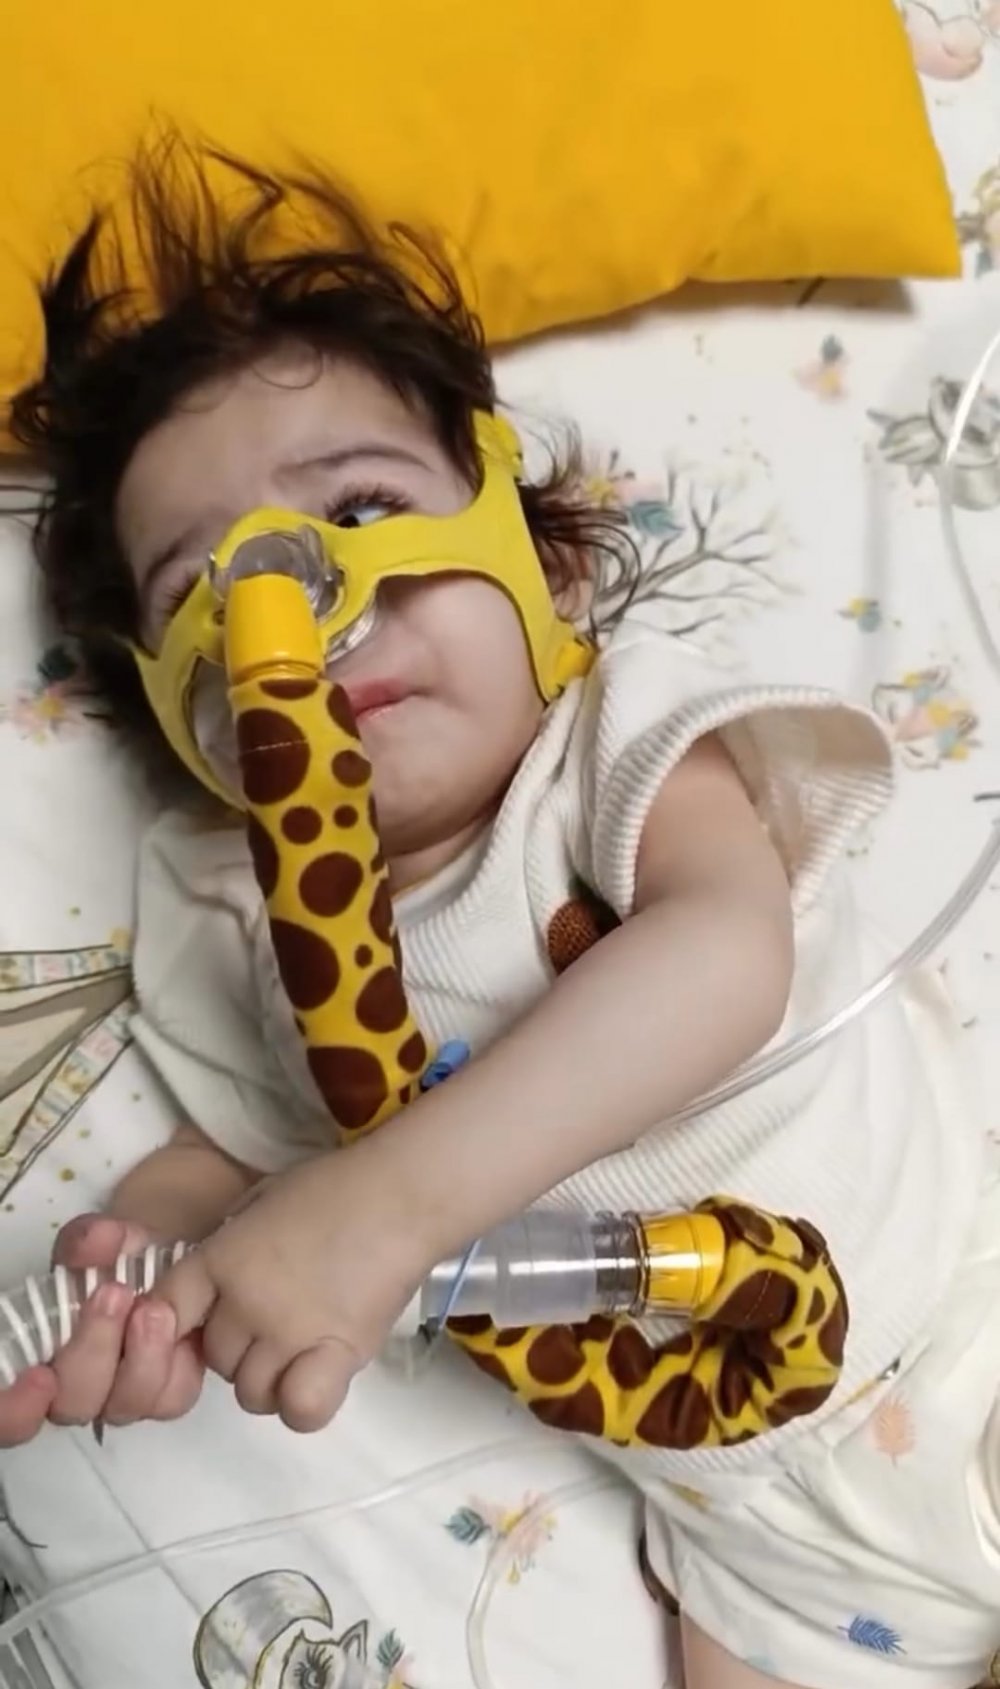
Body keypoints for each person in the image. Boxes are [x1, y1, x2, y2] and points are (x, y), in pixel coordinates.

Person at [3, 135, 998, 1689]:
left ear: (546, 571)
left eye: (360, 506)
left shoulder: (615, 746)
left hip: (959, 1318)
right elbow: (228, 1152)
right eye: (204, 586)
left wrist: (388, 1209)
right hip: (741, 1517)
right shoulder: (232, 910)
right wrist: (134, 1266)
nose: (299, 603)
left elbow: (722, 956)